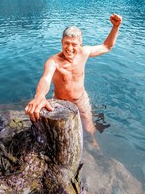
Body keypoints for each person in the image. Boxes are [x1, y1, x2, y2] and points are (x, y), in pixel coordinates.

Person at [25, 13, 122, 146]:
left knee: (88, 128)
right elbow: (45, 79)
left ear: (80, 44)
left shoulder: (85, 52)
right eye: (66, 43)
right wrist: (39, 96)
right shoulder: (53, 62)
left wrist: (115, 27)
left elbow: (107, 46)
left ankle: (94, 146)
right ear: (61, 42)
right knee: (59, 130)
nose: (69, 48)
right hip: (60, 102)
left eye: (74, 44)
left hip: (80, 99)